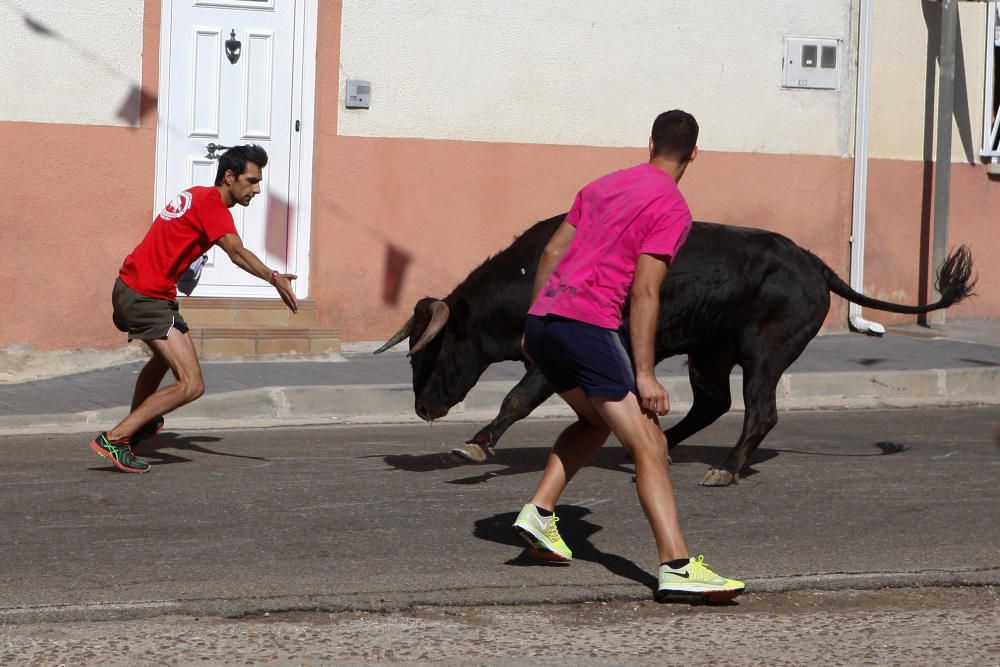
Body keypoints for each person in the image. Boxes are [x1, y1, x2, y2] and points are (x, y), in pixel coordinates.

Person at [512, 110, 745, 602]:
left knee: (594, 422)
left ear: (650, 144)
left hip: (546, 319)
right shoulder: (672, 208)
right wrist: (645, 373)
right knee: (650, 445)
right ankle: (678, 566)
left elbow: (553, 252)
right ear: (694, 154)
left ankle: (540, 512)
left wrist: (534, 323)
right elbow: (644, 292)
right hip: (587, 324)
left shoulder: (601, 185)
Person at [90, 144, 298, 473]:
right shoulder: (213, 205)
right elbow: (237, 252)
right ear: (229, 177)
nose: (256, 189)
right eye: (251, 180)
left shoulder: (197, 196)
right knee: (191, 384)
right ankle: (116, 437)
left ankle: (134, 429)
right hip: (147, 296)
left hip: (134, 288)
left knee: (161, 361)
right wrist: (274, 278)